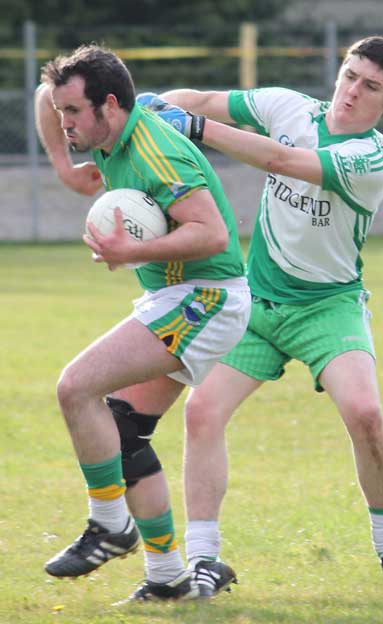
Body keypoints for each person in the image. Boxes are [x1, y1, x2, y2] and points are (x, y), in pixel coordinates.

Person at [152, 34, 383, 591]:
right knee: (201, 412)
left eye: (370, 86)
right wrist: (153, 103)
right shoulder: (289, 107)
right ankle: (204, 560)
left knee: (366, 414)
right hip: (255, 303)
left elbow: (282, 160)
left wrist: (197, 129)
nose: (352, 91)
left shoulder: (371, 158)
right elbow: (201, 100)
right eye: (350, 75)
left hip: (328, 307)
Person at [34, 43, 251, 602]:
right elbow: (43, 96)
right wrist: (63, 163)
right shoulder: (106, 129)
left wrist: (129, 253)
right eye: (63, 114)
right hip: (178, 296)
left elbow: (213, 233)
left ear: (109, 105)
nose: (66, 122)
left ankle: (110, 524)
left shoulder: (155, 150)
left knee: (76, 387)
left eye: (74, 113)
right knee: (123, 431)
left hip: (206, 297)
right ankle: (168, 579)